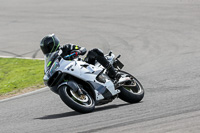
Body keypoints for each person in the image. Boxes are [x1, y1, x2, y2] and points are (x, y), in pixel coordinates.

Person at [40, 34, 118, 80]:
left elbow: (83, 49)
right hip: (70, 73)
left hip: (83, 66)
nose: (47, 49)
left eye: (48, 47)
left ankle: (114, 74)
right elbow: (48, 71)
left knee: (94, 52)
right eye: (45, 48)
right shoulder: (51, 60)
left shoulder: (67, 47)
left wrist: (78, 52)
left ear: (53, 44)